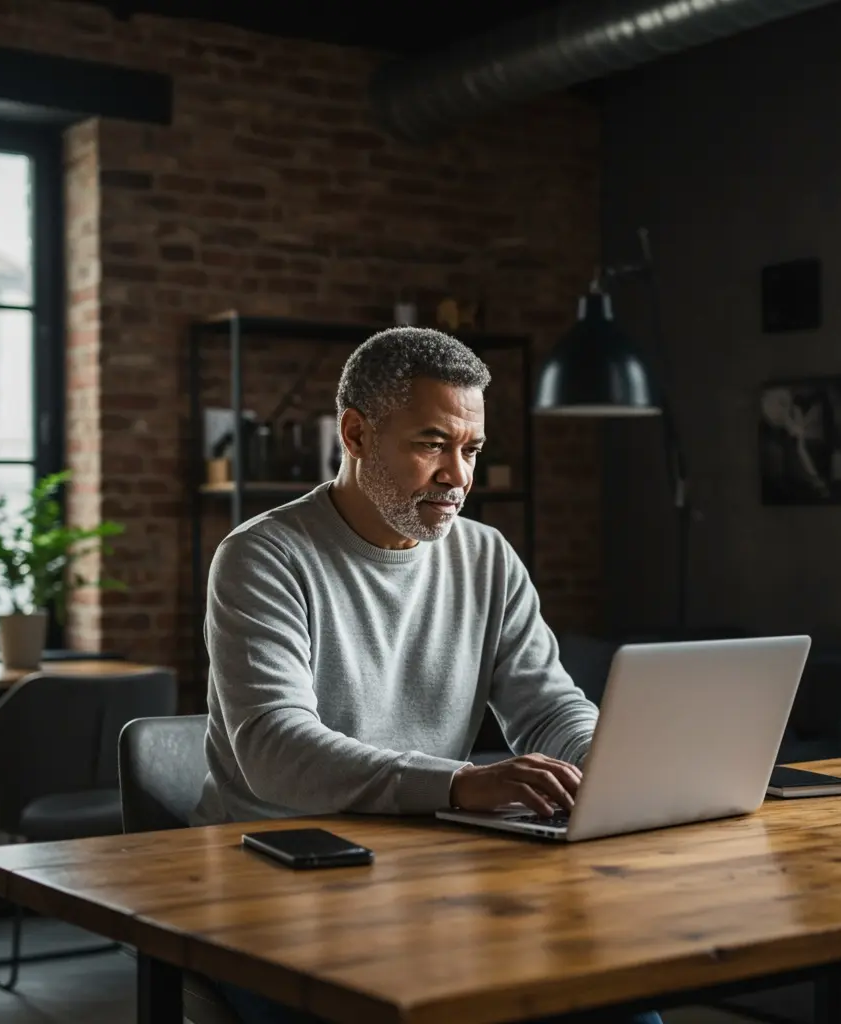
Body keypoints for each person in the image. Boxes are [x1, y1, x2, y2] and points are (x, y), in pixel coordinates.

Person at [198, 326, 662, 1024]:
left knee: (622, 1010)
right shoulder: (263, 556)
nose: (459, 476)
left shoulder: (488, 556)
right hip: (273, 888)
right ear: (356, 435)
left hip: (427, 869)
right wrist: (459, 783)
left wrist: (610, 767)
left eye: (471, 449)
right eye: (431, 444)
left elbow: (547, 706)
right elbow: (273, 747)